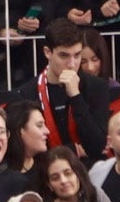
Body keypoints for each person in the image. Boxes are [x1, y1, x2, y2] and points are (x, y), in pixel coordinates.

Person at [13, 21, 110, 159]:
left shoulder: (96, 87)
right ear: (48, 52)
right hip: (45, 171)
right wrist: (72, 150)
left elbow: (98, 146)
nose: (72, 64)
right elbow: (25, 148)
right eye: (64, 56)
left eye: (77, 55)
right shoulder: (27, 93)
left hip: (89, 171)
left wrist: (76, 96)